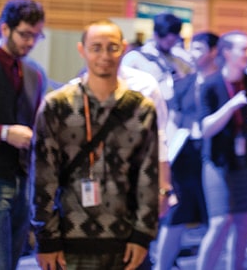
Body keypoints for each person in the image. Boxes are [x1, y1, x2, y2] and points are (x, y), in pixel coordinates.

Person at [31, 20, 158, 270]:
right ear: (82, 50)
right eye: (96, 47)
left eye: (112, 47)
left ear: (123, 49)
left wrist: (143, 234)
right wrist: (45, 239)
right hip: (68, 239)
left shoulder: (141, 109)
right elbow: (43, 176)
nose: (104, 56)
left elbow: (148, 177)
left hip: (125, 239)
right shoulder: (58, 105)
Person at [0, 0, 46, 270]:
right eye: (25, 34)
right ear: (5, 29)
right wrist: (4, 133)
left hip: (22, 181)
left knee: (10, 263)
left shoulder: (34, 75)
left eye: (36, 35)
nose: (30, 42)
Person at [197, 31, 247, 270]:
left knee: (244, 222)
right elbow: (205, 128)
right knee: (220, 222)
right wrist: (231, 106)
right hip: (218, 162)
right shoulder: (211, 85)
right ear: (227, 53)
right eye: (243, 49)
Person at [153, 31, 219, 270]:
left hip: (212, 156)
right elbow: (173, 120)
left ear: (214, 51)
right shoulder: (184, 84)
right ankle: (162, 265)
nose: (194, 54)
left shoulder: (222, 82)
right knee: (176, 213)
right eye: (193, 48)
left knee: (216, 218)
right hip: (184, 155)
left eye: (200, 49)